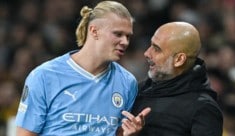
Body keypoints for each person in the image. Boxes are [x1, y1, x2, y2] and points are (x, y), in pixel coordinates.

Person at [15, 1, 150, 136]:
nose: (125, 42)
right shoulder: (44, 76)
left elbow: (118, 133)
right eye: (118, 34)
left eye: (128, 36)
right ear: (94, 31)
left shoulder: (127, 82)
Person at [131, 22, 223, 136]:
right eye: (150, 45)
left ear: (179, 59)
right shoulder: (138, 90)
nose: (147, 53)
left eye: (156, 49)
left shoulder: (203, 109)